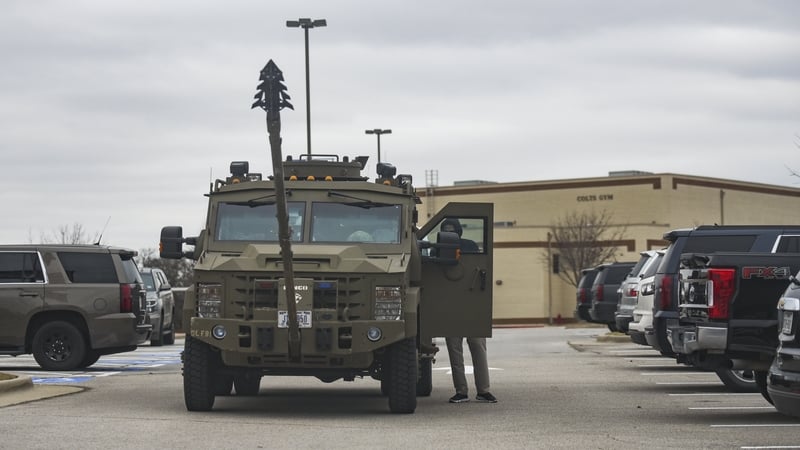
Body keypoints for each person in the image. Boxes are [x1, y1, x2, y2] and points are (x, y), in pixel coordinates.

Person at [440, 218, 498, 404]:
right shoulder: (439, 251)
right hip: (451, 305)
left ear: (459, 232)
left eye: (452, 231)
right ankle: (462, 391)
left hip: (470, 303)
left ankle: (483, 390)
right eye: (446, 231)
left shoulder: (470, 247)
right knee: (456, 349)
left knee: (477, 346)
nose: (450, 234)